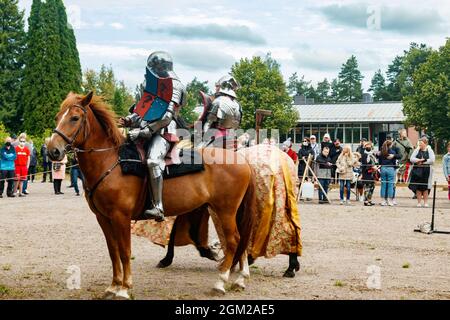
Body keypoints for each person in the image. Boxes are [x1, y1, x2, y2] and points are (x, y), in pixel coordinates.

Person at [119, 51, 187, 221]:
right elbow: (142, 111)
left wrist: (142, 132)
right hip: (146, 129)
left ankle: (158, 207)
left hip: (163, 132)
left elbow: (166, 117)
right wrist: (128, 120)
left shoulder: (174, 85)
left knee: (152, 160)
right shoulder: (151, 85)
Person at [199, 75, 242, 149]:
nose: (216, 88)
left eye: (217, 86)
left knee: (196, 152)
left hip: (218, 137)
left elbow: (209, 123)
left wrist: (204, 136)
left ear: (223, 86)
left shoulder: (218, 101)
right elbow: (237, 125)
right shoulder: (238, 105)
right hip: (232, 137)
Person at [409, 136, 435, 207]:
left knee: (425, 187)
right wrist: (418, 161)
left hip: (426, 170)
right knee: (418, 187)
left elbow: (432, 160)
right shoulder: (417, 149)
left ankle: (426, 202)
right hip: (417, 171)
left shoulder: (429, 150)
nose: (419, 145)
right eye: (419, 144)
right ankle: (419, 202)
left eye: (421, 144)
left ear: (425, 143)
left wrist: (423, 162)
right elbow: (411, 158)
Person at [378, 140, 400, 206]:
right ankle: (390, 200)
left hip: (383, 168)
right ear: (390, 145)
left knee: (383, 185)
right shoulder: (392, 152)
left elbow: (378, 159)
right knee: (390, 185)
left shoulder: (382, 152)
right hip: (391, 168)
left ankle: (383, 200)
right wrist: (394, 155)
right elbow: (400, 156)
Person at [361, 141, 378, 206]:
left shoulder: (372, 154)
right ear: (365, 147)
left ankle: (369, 200)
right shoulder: (364, 155)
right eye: (367, 146)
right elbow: (365, 164)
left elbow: (375, 162)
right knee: (367, 188)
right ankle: (366, 201)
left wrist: (376, 166)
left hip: (372, 174)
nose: (368, 147)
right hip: (366, 173)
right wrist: (372, 167)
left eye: (369, 145)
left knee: (372, 187)